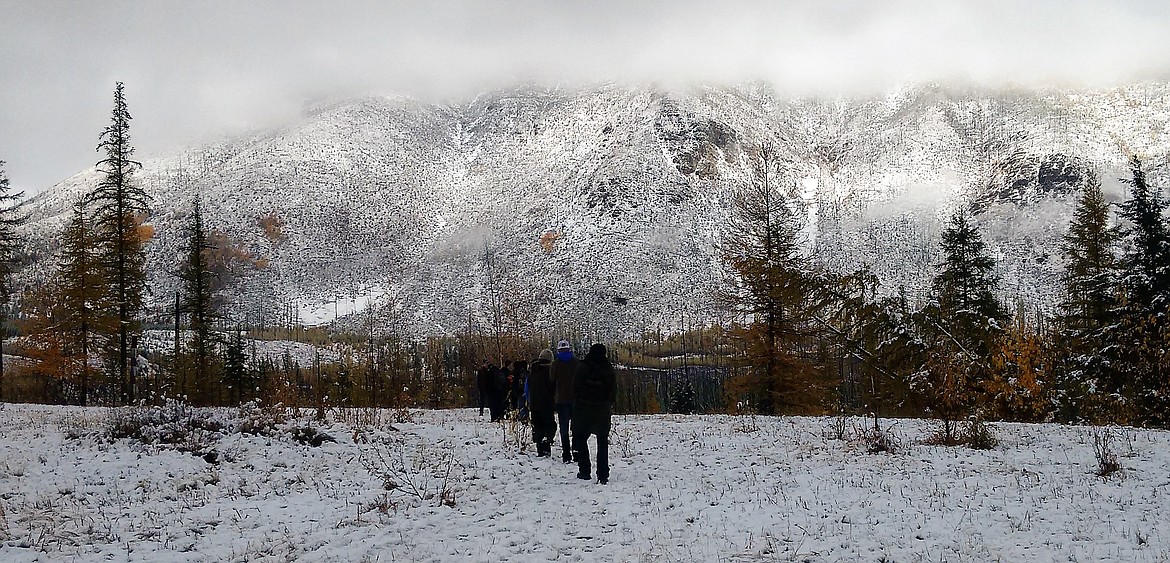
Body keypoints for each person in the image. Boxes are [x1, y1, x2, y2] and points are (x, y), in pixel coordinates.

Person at [572, 343, 616, 484]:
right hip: (602, 409)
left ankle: (584, 471)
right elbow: (613, 389)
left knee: (581, 439)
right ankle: (603, 474)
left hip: (583, 407)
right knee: (602, 441)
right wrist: (608, 402)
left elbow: (575, 387)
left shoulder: (582, 367)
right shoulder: (608, 368)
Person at [550, 339, 578, 463]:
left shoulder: (555, 364)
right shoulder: (576, 363)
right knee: (576, 427)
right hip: (575, 399)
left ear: (558, 350)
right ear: (569, 349)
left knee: (564, 428)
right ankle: (577, 451)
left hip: (561, 399)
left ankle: (566, 454)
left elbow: (551, 380)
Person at [527, 350, 556, 456]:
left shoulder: (532, 371)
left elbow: (529, 386)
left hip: (534, 403)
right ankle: (546, 445)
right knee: (548, 425)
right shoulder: (549, 371)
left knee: (537, 425)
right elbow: (552, 387)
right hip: (547, 403)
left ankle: (540, 448)